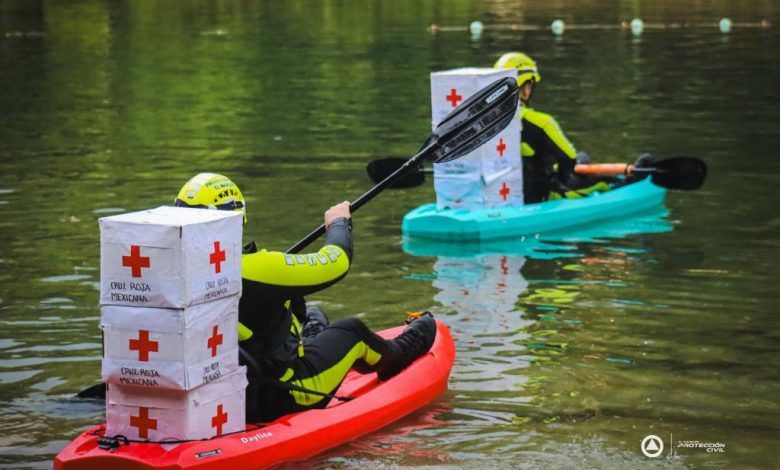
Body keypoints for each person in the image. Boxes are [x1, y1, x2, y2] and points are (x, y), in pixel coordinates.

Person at [173, 173, 436, 423]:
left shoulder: (165, 272)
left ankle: (312, 336)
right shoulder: (252, 268)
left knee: (312, 314)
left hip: (211, 397)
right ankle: (398, 354)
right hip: (276, 396)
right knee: (353, 331)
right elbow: (337, 262)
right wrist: (339, 223)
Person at [493, 52, 652, 203]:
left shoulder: (486, 123)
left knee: (583, 157)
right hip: (543, 196)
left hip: (503, 195)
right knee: (633, 167)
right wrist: (561, 178)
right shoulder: (541, 122)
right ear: (526, 89)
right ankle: (633, 181)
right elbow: (569, 158)